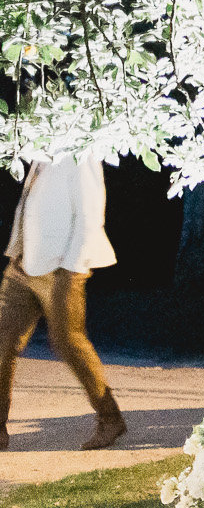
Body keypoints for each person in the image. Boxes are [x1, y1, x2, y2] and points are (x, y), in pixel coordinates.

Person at [0, 157, 126, 452]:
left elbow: (90, 216)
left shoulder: (82, 155)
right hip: (23, 265)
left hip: (61, 270)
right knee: (1, 341)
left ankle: (110, 418)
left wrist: (71, 270)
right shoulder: (42, 147)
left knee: (68, 342)